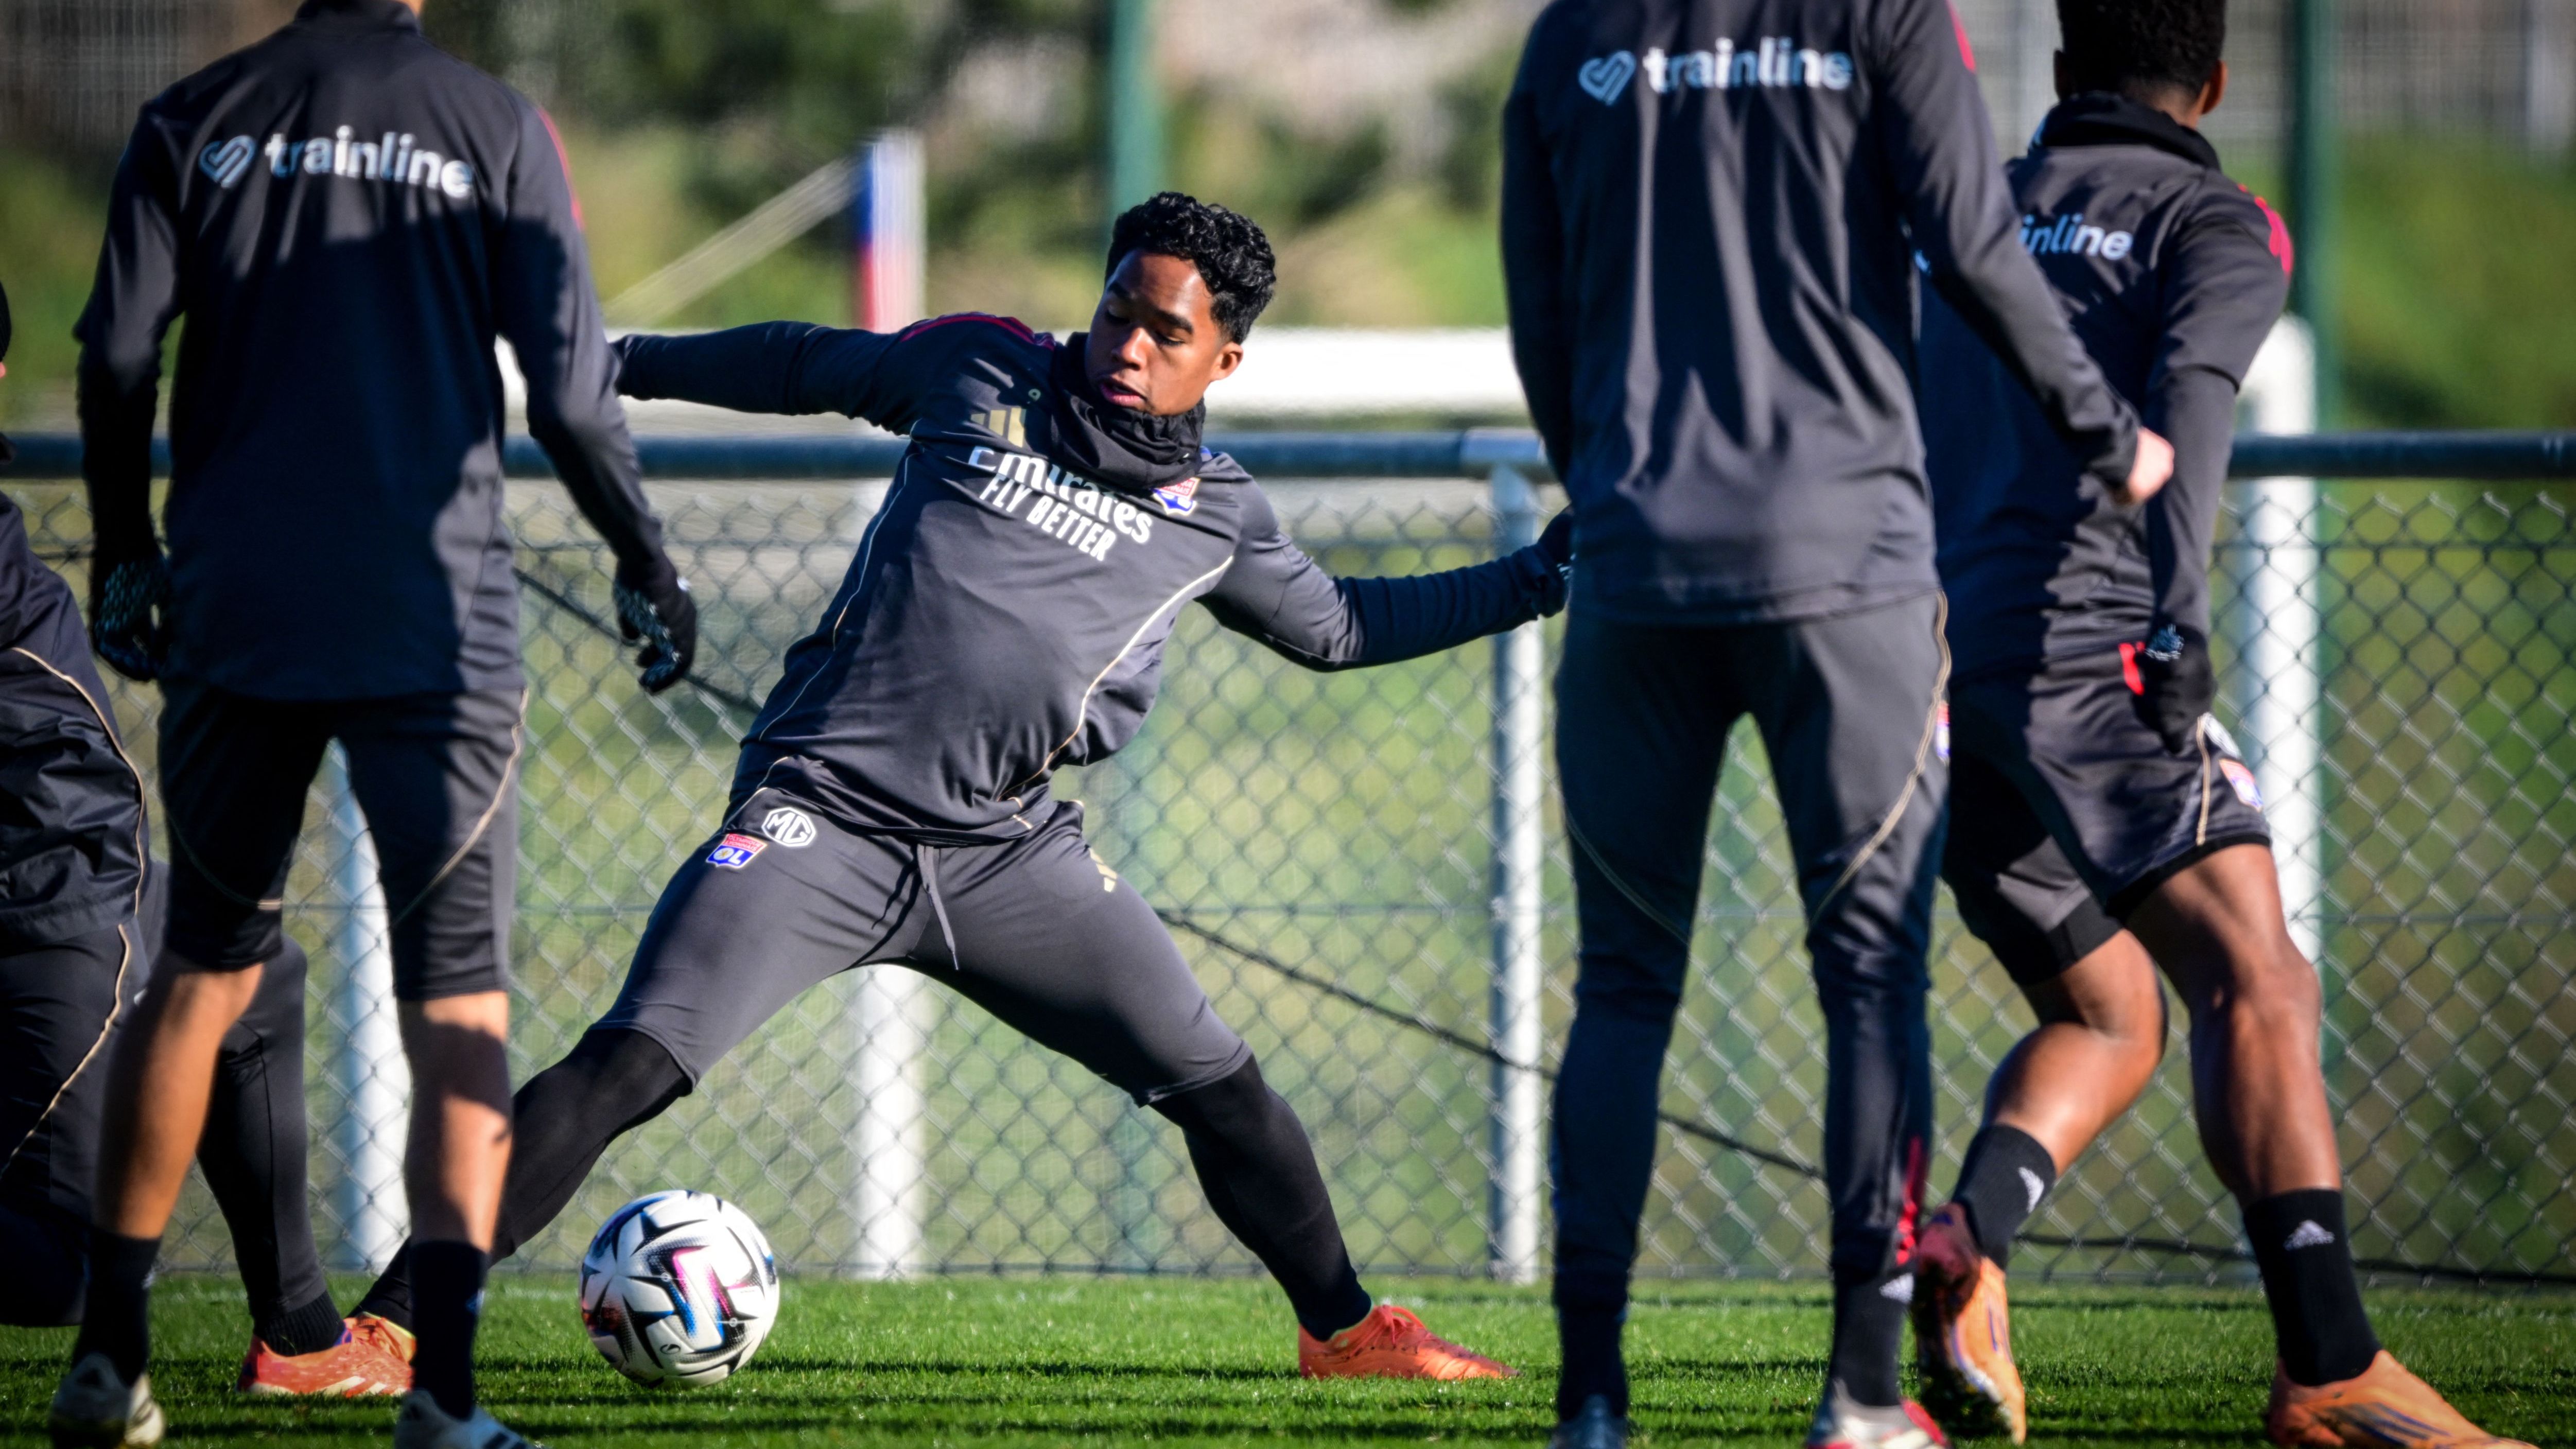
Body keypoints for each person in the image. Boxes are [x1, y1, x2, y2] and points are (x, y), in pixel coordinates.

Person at [345, 191, 1553, 1385]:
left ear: (1224, 359)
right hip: (822, 817)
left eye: (1166, 332)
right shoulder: (979, 370)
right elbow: (803, 363)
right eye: (1117, 310)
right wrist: (606, 362)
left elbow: (1340, 627)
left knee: (1225, 1091)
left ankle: (1345, 1335)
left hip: (1006, 853)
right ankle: (389, 1331)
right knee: (630, 1063)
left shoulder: (1218, 516)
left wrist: (1537, 578)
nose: (1128, 346)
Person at [1501, 1, 2179, 1445]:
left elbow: (1540, 315)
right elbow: (1973, 246)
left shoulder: (1572, 33)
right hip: (1847, 573)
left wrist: (1614, 492)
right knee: (1869, 982)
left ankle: (1591, 1402)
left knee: (1621, 987)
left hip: (1636, 572)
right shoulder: (1884, 13)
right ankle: (1862, 1396)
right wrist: (2107, 433)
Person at [56, 0, 693, 1443]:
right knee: (457, 1007)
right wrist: (645, 559)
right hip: (433, 621)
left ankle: (108, 1358)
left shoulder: (192, 117)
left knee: (199, 974)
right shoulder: (494, 125)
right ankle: (444, 1401)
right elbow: (571, 397)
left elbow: (114, 360)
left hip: (239, 606)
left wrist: (125, 548)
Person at [1910, 5, 2534, 1448]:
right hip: (2088, 662)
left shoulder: (1962, 215)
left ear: (2061, 71)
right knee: (2259, 981)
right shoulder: (2212, 221)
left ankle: (1966, 1242)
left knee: (2107, 1010)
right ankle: (2331, 1368)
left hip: (1937, 679)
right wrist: (2175, 626)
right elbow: (2186, 408)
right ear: (2216, 82)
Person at [5, 277, 405, 1400]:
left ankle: (301, 1334)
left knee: (259, 973)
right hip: (52, 887)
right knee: (66, 1273)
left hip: (86, 861)